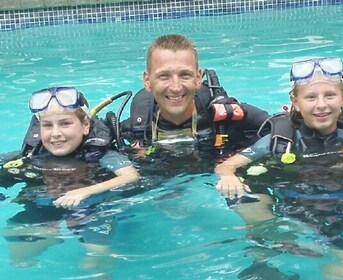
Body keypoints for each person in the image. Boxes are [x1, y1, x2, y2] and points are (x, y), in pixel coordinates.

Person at [215, 57, 343, 279]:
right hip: (308, 203)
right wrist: (228, 176)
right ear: (296, 101)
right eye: (311, 97)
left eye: (330, 95)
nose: (321, 105)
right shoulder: (282, 140)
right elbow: (227, 166)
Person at [1, 86, 140, 270]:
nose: (55, 133)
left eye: (65, 124)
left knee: (96, 259)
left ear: (85, 126)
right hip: (44, 204)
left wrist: (85, 191)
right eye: (48, 125)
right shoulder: (30, 154)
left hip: (89, 208)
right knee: (19, 256)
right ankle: (51, 233)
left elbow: (131, 176)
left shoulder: (101, 154)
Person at [117, 34, 270, 182]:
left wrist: (231, 165)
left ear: (198, 78)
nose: (176, 87)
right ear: (147, 80)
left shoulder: (224, 118)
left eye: (185, 75)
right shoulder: (135, 129)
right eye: (164, 76)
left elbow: (280, 128)